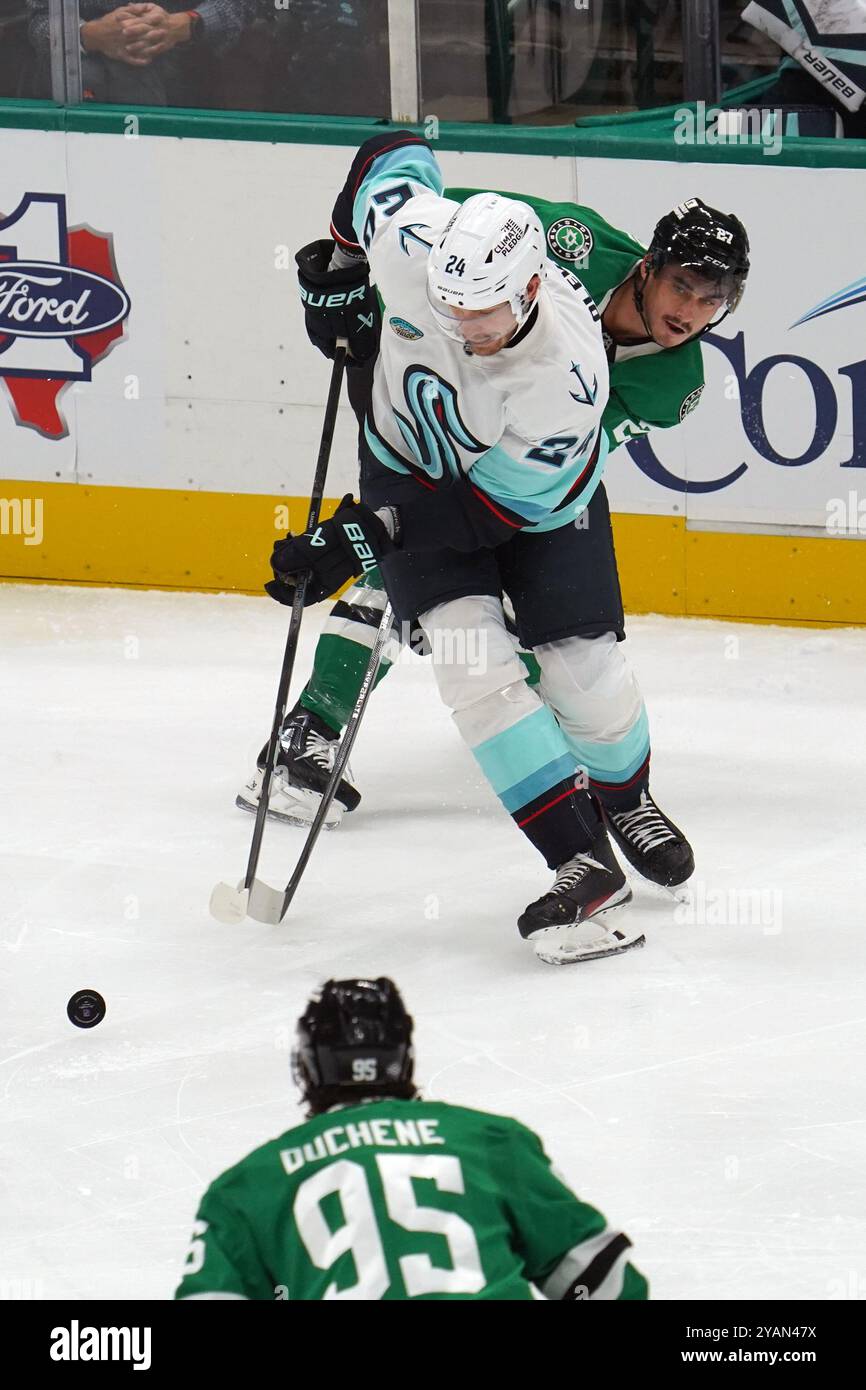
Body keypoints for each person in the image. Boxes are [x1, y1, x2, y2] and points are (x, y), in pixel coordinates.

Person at [241, 183, 749, 903]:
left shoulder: (677, 381)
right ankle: (309, 731)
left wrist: (474, 532)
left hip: (528, 477)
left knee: (574, 657)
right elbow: (454, 231)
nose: (690, 313)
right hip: (436, 417)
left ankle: (625, 796)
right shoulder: (573, 238)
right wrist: (355, 277)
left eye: (712, 301)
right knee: (390, 569)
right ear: (648, 266)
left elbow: (561, 465)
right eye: (683, 287)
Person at [175, 977, 649, 1301]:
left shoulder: (246, 1188)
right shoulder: (490, 1141)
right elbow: (604, 1282)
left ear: (307, 1067)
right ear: (405, 1057)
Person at [25, 1, 255, 106]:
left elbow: (244, 7)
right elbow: (38, 19)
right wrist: (89, 34)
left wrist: (186, 25)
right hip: (84, 95)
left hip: (189, 93)